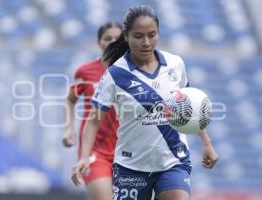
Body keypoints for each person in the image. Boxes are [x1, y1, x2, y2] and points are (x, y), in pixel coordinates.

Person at [71, 5, 218, 200]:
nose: (146, 42)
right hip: (131, 166)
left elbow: (190, 106)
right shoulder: (115, 75)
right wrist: (84, 157)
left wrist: (207, 143)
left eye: (152, 35)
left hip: (172, 161)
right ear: (126, 36)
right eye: (139, 36)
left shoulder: (175, 64)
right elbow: (94, 120)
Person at [62, 22, 122, 200]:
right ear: (99, 42)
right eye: (107, 38)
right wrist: (69, 127)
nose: (112, 42)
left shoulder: (133, 73)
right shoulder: (85, 71)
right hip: (95, 151)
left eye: (117, 39)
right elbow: (69, 100)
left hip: (127, 151)